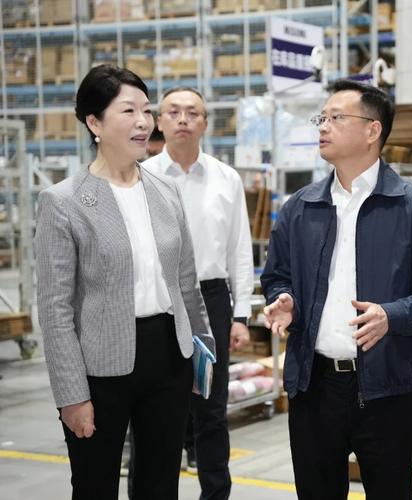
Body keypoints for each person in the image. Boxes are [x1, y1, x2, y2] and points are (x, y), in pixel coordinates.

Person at [261, 79, 412, 500]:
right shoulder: (301, 207)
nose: (323, 126)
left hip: (387, 391)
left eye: (336, 117)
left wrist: (392, 315)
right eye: (321, 118)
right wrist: (285, 300)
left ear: (372, 130)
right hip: (313, 389)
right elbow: (277, 275)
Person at [34, 65, 215, 500]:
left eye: (146, 111)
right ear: (94, 123)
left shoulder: (165, 191)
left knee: (160, 484)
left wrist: (201, 353)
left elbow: (185, 282)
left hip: (168, 356)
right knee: (94, 486)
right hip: (100, 366)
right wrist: (72, 394)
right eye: (128, 111)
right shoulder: (63, 202)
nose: (142, 122)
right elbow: (55, 309)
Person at [142, 86, 253, 500]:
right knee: (156, 410)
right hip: (159, 298)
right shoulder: (142, 176)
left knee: (211, 409)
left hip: (211, 299)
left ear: (206, 123)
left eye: (193, 113)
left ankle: (216, 494)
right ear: (159, 121)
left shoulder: (226, 179)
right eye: (173, 112)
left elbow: (239, 249)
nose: (183, 119)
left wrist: (240, 316)